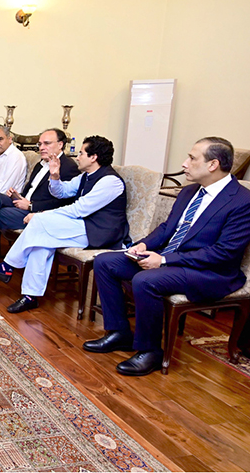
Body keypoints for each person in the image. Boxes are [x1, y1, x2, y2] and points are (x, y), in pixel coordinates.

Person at [86, 137, 250, 376]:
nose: (184, 163)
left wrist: (163, 260)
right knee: (105, 261)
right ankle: (119, 332)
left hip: (211, 272)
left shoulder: (241, 201)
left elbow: (223, 253)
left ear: (213, 164)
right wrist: (143, 245)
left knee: (146, 280)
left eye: (192, 158)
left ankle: (150, 351)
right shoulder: (189, 192)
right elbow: (167, 228)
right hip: (174, 260)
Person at [0, 136, 130, 314]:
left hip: (101, 232)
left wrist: (40, 214)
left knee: (41, 223)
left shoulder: (109, 182)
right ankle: (30, 296)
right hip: (82, 226)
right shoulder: (86, 177)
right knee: (41, 242)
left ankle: (7, 267)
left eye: (81, 153)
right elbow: (62, 192)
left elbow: (78, 210)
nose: (77, 156)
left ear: (93, 157)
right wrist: (55, 175)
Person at [0, 129, 79, 281]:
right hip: (24, 203)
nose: (41, 147)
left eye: (47, 143)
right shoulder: (41, 164)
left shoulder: (68, 166)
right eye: (40, 144)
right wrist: (18, 196)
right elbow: (31, 189)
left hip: (39, 213)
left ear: (60, 145)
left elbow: (64, 201)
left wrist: (31, 206)